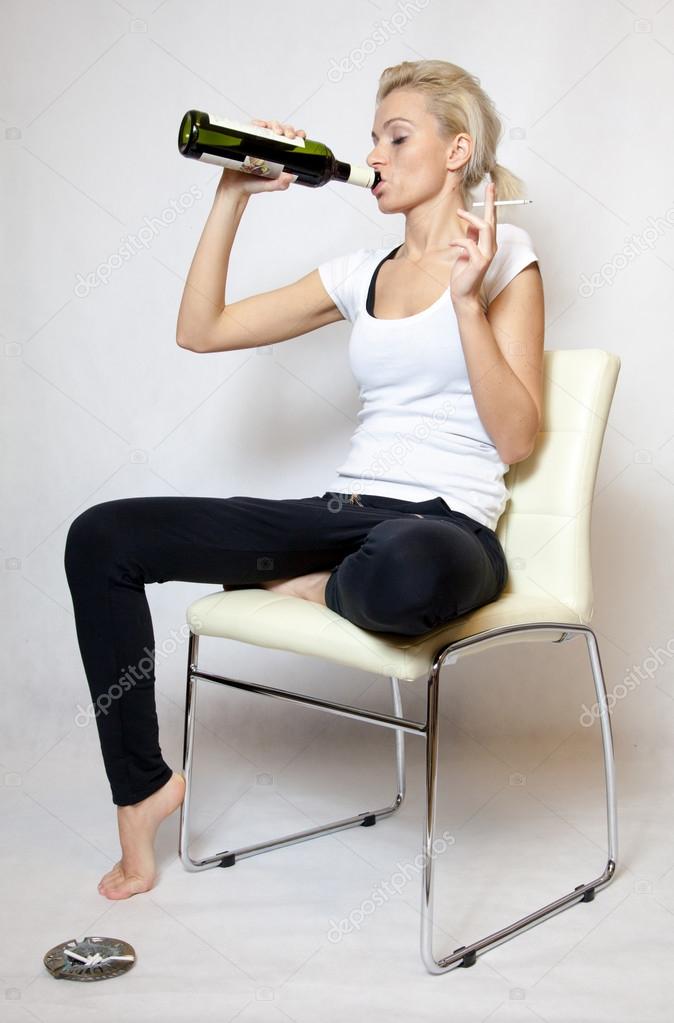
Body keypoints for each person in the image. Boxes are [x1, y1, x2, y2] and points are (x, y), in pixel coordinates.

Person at [64, 59, 544, 901]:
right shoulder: (359, 272)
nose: (377, 156)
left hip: (444, 525)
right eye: (373, 139)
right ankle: (142, 790)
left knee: (407, 573)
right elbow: (201, 330)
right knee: (102, 537)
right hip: (342, 509)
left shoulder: (506, 258)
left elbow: (516, 436)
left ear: (457, 149)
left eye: (399, 136)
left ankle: (319, 587)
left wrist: (468, 302)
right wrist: (232, 195)